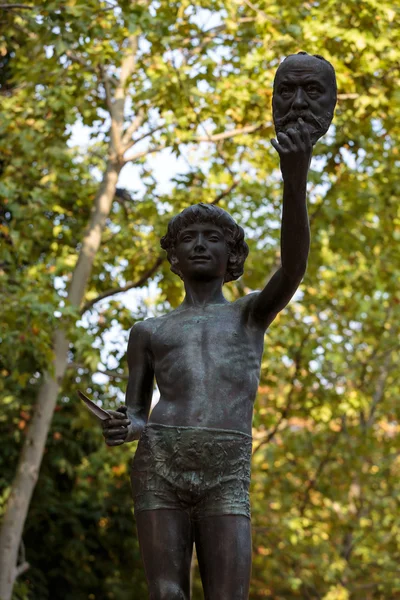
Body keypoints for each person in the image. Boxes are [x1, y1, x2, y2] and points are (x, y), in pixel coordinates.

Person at [102, 52, 337, 600]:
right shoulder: (148, 331)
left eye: (215, 238)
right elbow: (137, 412)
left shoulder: (250, 314)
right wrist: (126, 425)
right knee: (165, 593)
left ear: (234, 257)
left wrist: (294, 177)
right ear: (174, 258)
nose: (201, 244)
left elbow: (295, 264)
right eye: (189, 239)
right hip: (160, 455)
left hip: (226, 461)